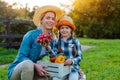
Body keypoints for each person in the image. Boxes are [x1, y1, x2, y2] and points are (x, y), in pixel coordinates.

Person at [7, 5, 63, 80]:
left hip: (37, 73)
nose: (51, 21)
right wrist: (35, 65)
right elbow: (21, 56)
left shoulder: (53, 39)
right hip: (19, 72)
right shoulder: (30, 35)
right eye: (48, 18)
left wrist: (75, 68)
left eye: (53, 19)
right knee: (28, 64)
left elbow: (55, 58)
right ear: (41, 20)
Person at [47, 15, 86, 80]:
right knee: (56, 79)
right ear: (59, 30)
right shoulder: (57, 42)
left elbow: (79, 57)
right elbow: (54, 56)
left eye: (67, 28)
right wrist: (48, 48)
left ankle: (80, 76)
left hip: (73, 69)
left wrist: (72, 61)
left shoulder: (75, 41)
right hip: (61, 69)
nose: (64, 30)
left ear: (71, 30)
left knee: (73, 78)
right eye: (62, 28)